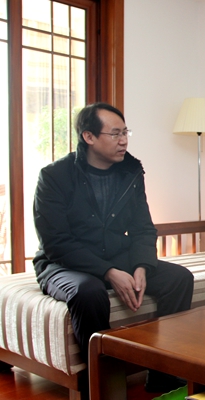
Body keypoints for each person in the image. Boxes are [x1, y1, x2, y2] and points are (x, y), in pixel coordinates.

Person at [33, 102, 194, 393]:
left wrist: (142, 265)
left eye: (125, 132)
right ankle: (102, 387)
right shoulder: (55, 176)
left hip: (115, 254)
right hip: (63, 263)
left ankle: (163, 373)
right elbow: (56, 243)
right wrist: (109, 272)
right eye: (115, 133)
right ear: (89, 137)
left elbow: (143, 228)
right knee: (89, 292)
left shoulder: (131, 172)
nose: (124, 141)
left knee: (179, 278)